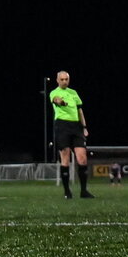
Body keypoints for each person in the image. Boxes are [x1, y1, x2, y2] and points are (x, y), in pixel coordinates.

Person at [49, 71, 93, 199]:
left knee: (82, 158)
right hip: (62, 126)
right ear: (57, 80)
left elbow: (80, 110)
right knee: (65, 158)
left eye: (66, 79)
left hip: (76, 127)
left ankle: (84, 191)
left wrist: (84, 127)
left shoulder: (73, 93)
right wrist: (61, 103)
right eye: (62, 79)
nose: (64, 81)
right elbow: (56, 100)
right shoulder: (54, 92)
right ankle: (67, 191)